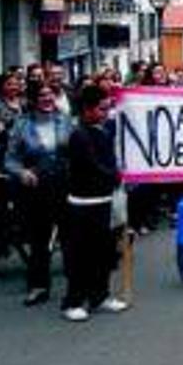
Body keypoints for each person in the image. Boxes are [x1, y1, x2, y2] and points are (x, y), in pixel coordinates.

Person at [61, 85, 126, 321]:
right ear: (87, 110)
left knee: (104, 253)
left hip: (104, 201)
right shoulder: (79, 135)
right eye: (101, 109)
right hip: (82, 205)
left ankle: (100, 295)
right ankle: (73, 301)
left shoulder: (103, 130)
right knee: (81, 255)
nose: (106, 112)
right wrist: (116, 176)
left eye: (107, 108)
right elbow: (93, 166)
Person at [5, 82, 73, 307]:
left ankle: (79, 285)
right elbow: (10, 159)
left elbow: (77, 149)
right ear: (32, 99)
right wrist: (21, 172)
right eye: (41, 95)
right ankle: (38, 286)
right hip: (37, 189)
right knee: (38, 240)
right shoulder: (21, 125)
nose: (47, 98)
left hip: (64, 185)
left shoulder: (65, 120)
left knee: (71, 237)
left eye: (50, 94)